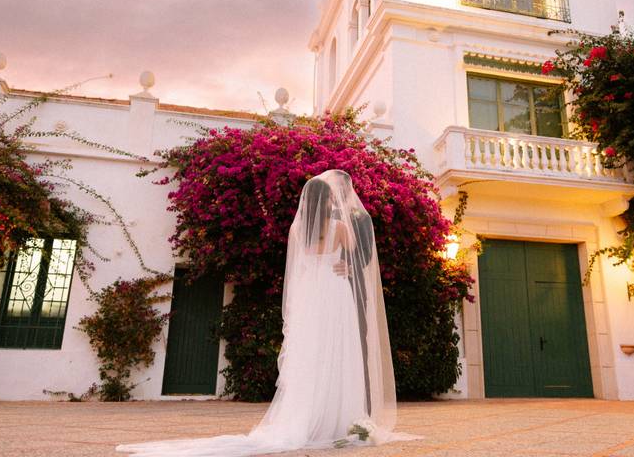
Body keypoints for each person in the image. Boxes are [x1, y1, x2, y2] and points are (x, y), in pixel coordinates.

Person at [116, 169, 416, 456]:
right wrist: (348, 260)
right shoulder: (340, 227)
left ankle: (308, 418)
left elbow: (298, 272)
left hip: (312, 297)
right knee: (338, 351)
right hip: (335, 293)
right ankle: (339, 418)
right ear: (326, 201)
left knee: (311, 355)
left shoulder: (298, 231)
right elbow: (360, 256)